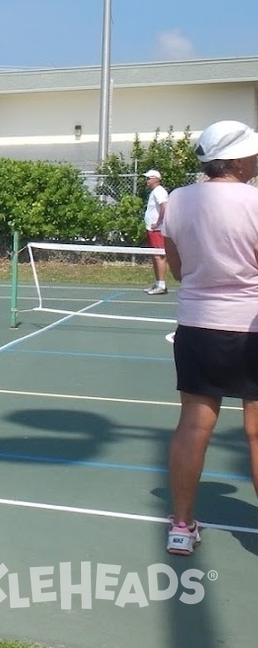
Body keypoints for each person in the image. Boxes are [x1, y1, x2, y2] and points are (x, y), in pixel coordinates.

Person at [162, 120, 258, 556]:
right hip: (251, 327)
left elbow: (179, 270)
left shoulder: (178, 200)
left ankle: (181, 526)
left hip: (198, 325)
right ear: (237, 160)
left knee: (193, 425)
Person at [143, 169, 169, 295]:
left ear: (156, 179)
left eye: (149, 178)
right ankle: (158, 283)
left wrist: (158, 222)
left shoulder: (159, 191)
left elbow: (164, 206)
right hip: (152, 229)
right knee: (155, 255)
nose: (147, 180)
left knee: (159, 256)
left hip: (157, 229)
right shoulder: (154, 192)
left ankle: (162, 285)